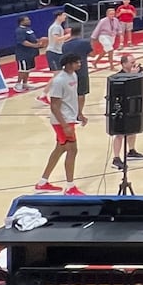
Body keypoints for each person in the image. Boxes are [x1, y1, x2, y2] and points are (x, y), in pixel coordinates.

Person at [34, 53, 84, 195]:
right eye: (77, 62)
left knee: (60, 149)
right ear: (68, 64)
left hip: (69, 119)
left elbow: (72, 99)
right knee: (72, 150)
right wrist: (65, 125)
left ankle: (42, 183)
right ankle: (70, 187)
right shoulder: (59, 81)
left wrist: (79, 114)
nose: (80, 64)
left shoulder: (73, 76)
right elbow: (54, 106)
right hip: (61, 121)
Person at [108, 53, 143, 170]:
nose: (134, 64)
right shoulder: (117, 77)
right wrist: (132, 76)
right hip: (120, 109)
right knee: (119, 135)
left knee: (133, 129)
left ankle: (131, 151)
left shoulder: (135, 74)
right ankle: (116, 158)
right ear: (124, 64)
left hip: (132, 107)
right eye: (131, 63)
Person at [13, 15, 40, 93]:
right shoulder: (19, 30)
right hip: (23, 54)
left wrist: (39, 41)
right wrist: (34, 45)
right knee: (22, 70)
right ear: (22, 22)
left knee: (28, 70)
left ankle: (25, 83)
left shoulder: (28, 29)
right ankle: (18, 84)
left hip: (30, 53)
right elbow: (23, 42)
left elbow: (32, 39)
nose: (29, 21)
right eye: (27, 20)